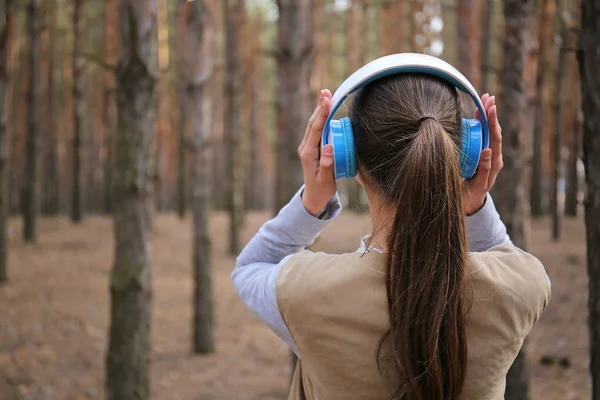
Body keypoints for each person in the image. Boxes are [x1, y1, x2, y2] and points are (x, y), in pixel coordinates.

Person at [232, 71, 551, 399]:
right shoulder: (521, 287)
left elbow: (251, 267)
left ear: (347, 155)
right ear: (467, 154)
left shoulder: (306, 292)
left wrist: (313, 201)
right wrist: (475, 205)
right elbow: (504, 259)